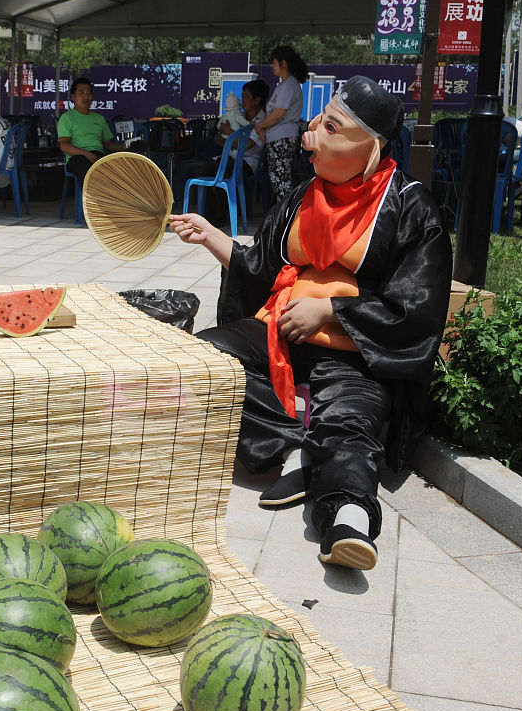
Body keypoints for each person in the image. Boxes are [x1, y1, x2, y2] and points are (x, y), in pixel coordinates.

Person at [169, 76, 452, 571]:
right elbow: (260, 268)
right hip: (276, 330)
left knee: (350, 421)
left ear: (370, 147)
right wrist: (213, 236)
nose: (310, 137)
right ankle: (301, 442)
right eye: (318, 123)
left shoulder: (412, 209)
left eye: (330, 127)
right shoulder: (304, 194)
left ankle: (348, 520)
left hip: (356, 355)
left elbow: (416, 311)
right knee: (202, 364)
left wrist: (332, 312)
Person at [191, 80, 270, 228]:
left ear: (257, 100)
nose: (242, 99)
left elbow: (245, 145)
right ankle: (208, 216)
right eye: (242, 95)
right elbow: (217, 139)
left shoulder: (263, 122)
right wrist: (230, 139)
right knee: (206, 168)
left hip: (248, 163)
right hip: (229, 158)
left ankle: (222, 217)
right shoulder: (236, 116)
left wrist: (229, 133)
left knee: (224, 171)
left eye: (246, 96)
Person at [253, 45, 309, 203]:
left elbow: (278, 114)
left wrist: (260, 126)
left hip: (282, 138)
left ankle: (285, 214)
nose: (272, 66)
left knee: (281, 180)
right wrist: (265, 126)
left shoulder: (289, 85)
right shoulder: (285, 85)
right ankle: (284, 212)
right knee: (278, 179)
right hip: (277, 136)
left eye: (274, 62)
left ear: (283, 64)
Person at [57, 77, 123, 185]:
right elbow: (64, 145)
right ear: (73, 97)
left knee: (119, 170)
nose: (86, 97)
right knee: (89, 173)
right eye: (81, 93)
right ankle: (93, 200)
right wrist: (86, 154)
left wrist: (123, 147)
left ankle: (111, 200)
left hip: (98, 155)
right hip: (77, 157)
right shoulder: (67, 118)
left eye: (89, 93)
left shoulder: (99, 118)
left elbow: (108, 144)